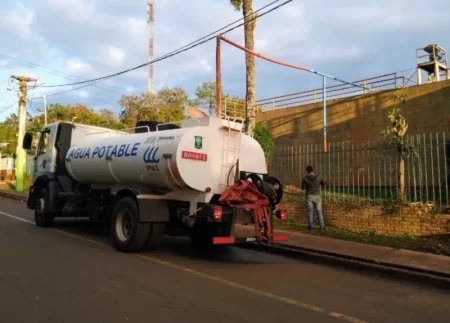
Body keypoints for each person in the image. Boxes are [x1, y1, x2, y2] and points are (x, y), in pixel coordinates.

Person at [301, 165, 326, 230]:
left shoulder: (305, 178)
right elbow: (324, 183)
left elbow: (302, 188)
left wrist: (306, 186)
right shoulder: (318, 177)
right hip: (317, 196)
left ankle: (310, 226)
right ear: (313, 170)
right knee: (319, 211)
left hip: (309, 196)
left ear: (307, 171)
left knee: (310, 211)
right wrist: (322, 187)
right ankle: (322, 226)